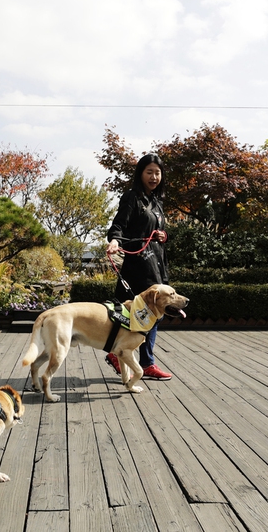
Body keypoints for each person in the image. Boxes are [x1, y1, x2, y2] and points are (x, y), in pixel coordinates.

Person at [104, 153, 172, 380]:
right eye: (149, 172)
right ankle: (127, 356)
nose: (154, 177)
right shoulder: (132, 197)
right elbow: (118, 226)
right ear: (140, 173)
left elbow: (156, 229)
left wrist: (163, 235)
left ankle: (141, 360)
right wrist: (114, 240)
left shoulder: (157, 202)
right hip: (139, 266)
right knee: (139, 312)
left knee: (153, 314)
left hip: (157, 265)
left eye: (157, 172)